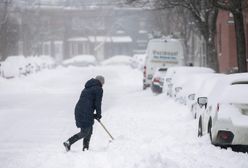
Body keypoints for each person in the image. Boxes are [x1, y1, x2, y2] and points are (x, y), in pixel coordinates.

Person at [63, 75, 104, 151]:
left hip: (80, 110)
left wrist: (95, 114)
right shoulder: (98, 89)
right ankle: (68, 142)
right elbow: (98, 103)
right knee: (85, 132)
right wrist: (98, 114)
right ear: (101, 82)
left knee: (89, 130)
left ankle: (85, 148)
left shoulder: (87, 88)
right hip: (86, 111)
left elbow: (89, 102)